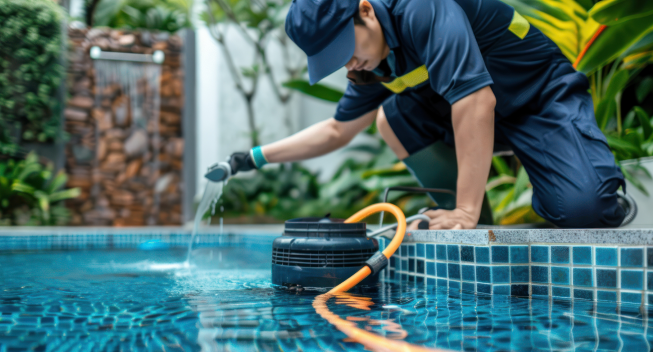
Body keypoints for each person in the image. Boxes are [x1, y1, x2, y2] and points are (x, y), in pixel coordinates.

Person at [226, 0, 627, 229]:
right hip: (479, 118)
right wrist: (252, 158)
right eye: (336, 60)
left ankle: (473, 212)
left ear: (365, 10)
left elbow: (475, 102)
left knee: (585, 213)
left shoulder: (421, 7)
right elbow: (336, 130)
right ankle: (473, 231)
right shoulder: (372, 59)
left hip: (539, 100)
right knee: (393, 118)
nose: (348, 65)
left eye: (345, 48)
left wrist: (464, 210)